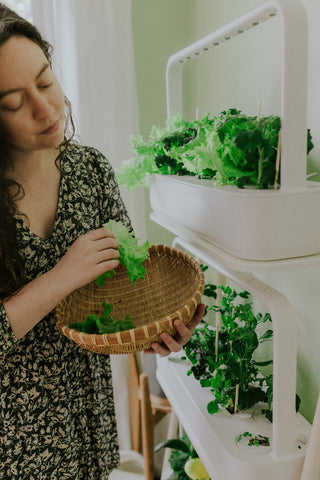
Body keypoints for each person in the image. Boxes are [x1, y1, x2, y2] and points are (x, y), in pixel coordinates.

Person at [0, 4, 204, 480]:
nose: (46, 109)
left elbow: (124, 293)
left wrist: (161, 332)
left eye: (46, 80)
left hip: (88, 420)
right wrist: (60, 277)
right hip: (15, 442)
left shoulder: (90, 170)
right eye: (12, 103)